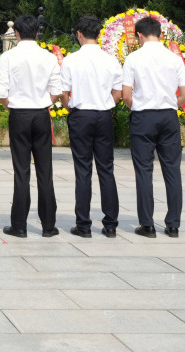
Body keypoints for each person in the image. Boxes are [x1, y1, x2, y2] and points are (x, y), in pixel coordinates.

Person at [122, 16, 185, 238]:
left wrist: (139, 106)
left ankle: (147, 224)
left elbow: (125, 95)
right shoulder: (174, 58)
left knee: (144, 170)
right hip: (169, 116)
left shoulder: (133, 58)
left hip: (143, 117)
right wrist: (170, 104)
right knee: (172, 170)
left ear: (139, 35)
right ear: (161, 34)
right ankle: (173, 225)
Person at [0, 14, 62, 238]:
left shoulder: (8, 56)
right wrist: (44, 104)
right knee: (45, 171)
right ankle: (48, 225)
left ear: (16, 34)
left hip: (19, 114)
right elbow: (56, 91)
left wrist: (12, 107)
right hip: (41, 114)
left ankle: (19, 225)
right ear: (36, 32)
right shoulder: (49, 57)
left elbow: (1, 93)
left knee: (21, 171)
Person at [60, 15, 122, 239]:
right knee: (106, 169)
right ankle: (111, 224)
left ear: (78, 34)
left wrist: (70, 108)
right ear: (98, 34)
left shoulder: (70, 60)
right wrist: (106, 105)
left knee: (83, 170)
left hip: (81, 116)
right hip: (104, 115)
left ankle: (83, 224)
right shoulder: (111, 60)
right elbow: (118, 93)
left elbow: (64, 94)